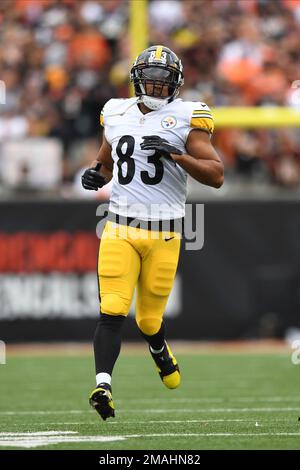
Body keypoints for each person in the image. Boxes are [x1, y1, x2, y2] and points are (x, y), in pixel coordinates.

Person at [81, 45, 224, 421]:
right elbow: (107, 159)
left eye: (164, 82)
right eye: (151, 79)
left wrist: (177, 156)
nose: (157, 87)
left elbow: (216, 175)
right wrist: (95, 173)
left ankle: (160, 350)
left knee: (147, 320)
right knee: (111, 309)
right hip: (119, 227)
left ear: (175, 84)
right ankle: (103, 384)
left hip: (165, 233)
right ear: (137, 80)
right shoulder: (116, 111)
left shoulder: (187, 115)